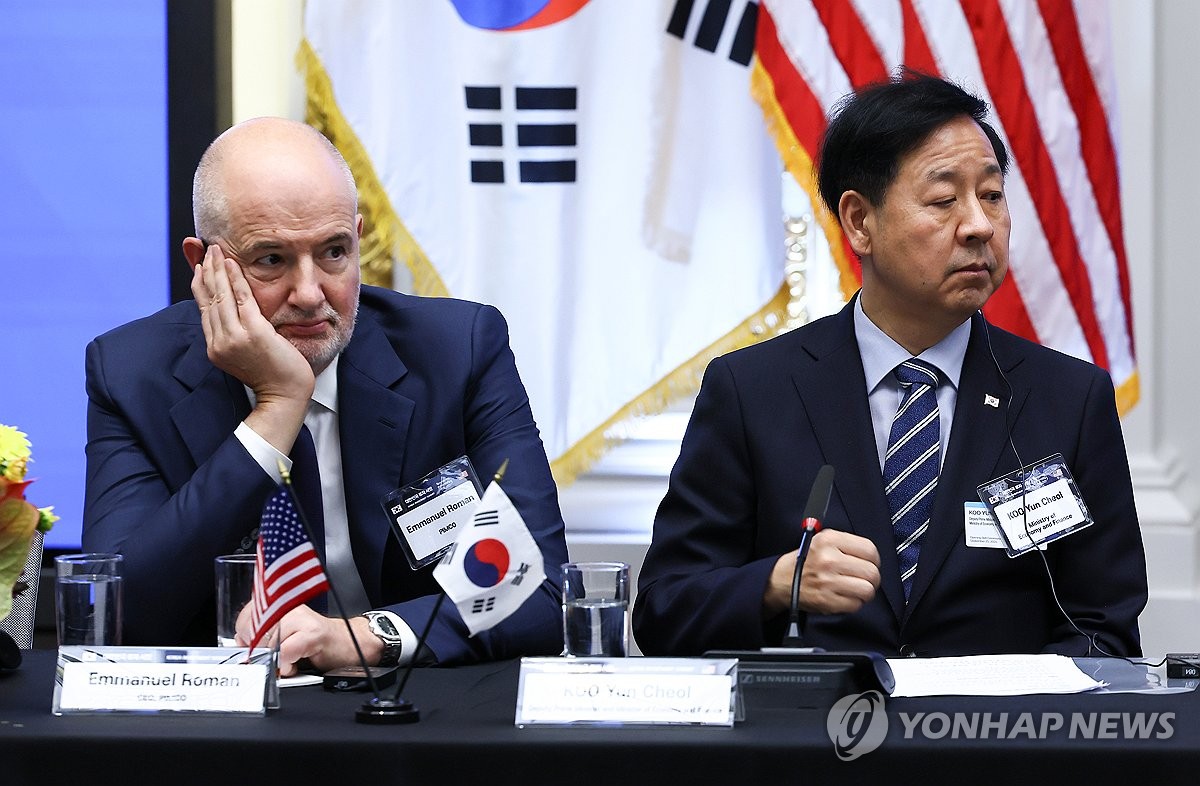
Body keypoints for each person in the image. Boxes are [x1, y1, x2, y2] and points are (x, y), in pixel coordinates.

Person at [633, 73, 1147, 658]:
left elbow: (1105, 630)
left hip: (993, 742)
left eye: (992, 195)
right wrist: (777, 585)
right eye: (943, 200)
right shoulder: (752, 391)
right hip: (810, 740)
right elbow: (663, 612)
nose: (979, 225)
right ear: (859, 222)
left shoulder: (1069, 399)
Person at [83, 117, 568, 673]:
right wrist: (277, 407)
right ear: (203, 265)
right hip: (225, 739)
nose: (311, 294)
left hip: (417, 723)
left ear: (358, 238)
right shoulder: (132, 373)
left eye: (334, 252)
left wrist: (363, 637)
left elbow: (538, 593)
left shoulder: (457, 353)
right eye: (272, 259)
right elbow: (113, 616)